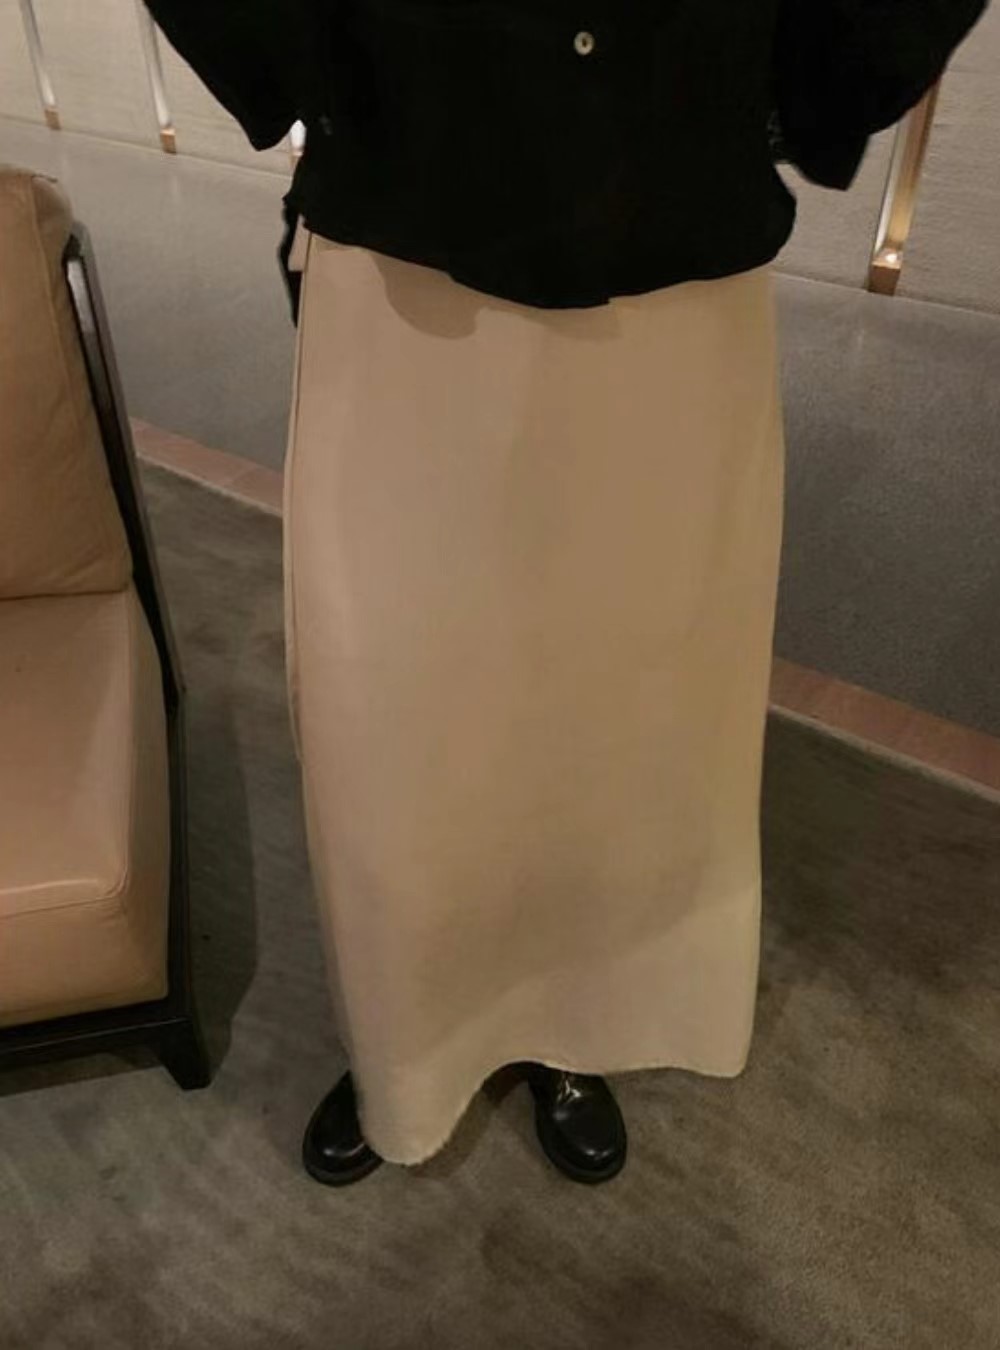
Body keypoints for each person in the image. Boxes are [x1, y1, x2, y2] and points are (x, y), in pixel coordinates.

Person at [147, 0, 989, 1186]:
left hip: (667, 246)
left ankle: (575, 1025)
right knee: (394, 707)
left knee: (623, 706)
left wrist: (787, 77)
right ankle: (403, 1041)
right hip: (406, 235)